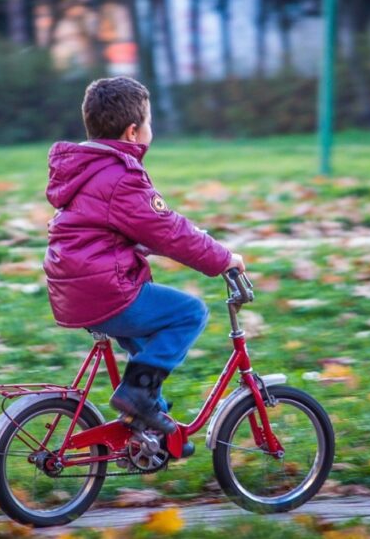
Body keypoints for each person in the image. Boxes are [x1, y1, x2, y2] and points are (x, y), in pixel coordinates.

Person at [43, 76, 245, 434]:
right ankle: (137, 399)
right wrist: (222, 258)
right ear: (133, 132)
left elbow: (116, 228)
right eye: (149, 122)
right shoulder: (122, 177)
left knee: (145, 350)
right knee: (188, 312)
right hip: (107, 290)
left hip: (75, 290)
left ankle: (151, 424)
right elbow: (168, 231)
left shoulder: (85, 170)